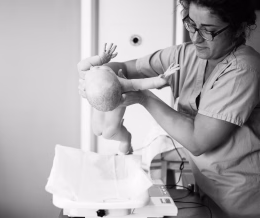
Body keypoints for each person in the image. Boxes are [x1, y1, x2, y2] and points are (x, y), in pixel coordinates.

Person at [78, 0, 260, 217]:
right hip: (205, 184)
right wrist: (99, 76)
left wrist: (143, 96)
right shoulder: (186, 55)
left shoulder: (244, 69)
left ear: (239, 28)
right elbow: (127, 68)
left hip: (242, 197)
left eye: (209, 31)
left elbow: (198, 141)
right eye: (191, 24)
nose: (196, 37)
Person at [77, 43, 179, 154]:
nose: (95, 67)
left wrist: (100, 59)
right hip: (113, 129)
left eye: (99, 67)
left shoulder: (88, 78)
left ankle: (124, 155)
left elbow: (81, 65)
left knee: (121, 137)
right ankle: (123, 155)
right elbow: (143, 83)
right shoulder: (122, 84)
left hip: (95, 127)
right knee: (126, 140)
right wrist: (161, 79)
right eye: (96, 68)